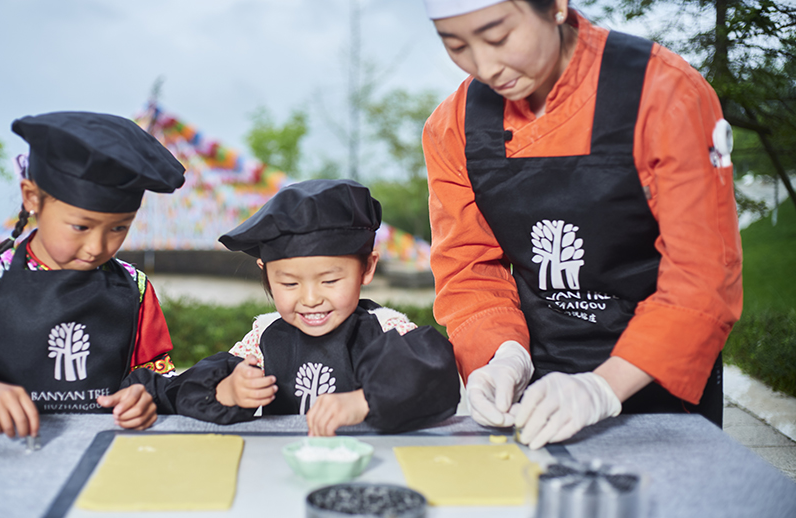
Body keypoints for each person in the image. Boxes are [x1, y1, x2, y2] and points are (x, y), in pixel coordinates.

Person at [421, 0, 743, 449]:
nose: (486, 66)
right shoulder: (454, 126)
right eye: (457, 46)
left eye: (498, 38)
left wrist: (600, 388)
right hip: (535, 380)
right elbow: (468, 269)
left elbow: (702, 276)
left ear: (555, 6)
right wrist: (500, 357)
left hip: (664, 375)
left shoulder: (665, 94)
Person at [0, 111, 187, 439]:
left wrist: (146, 396)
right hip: (5, 459)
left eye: (119, 227)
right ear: (31, 197)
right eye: (80, 226)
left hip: (103, 455)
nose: (97, 247)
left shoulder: (135, 289)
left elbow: (157, 376)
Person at [173, 179, 461, 435]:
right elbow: (194, 383)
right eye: (289, 284)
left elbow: (434, 374)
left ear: (367, 268)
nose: (310, 299)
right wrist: (229, 390)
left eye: (330, 280)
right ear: (266, 274)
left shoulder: (386, 329)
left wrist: (365, 400)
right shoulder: (264, 337)